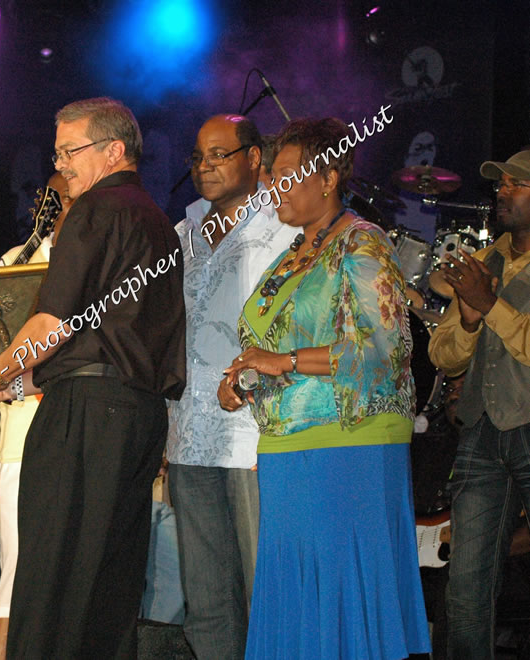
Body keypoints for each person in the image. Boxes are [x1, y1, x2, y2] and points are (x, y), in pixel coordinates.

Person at [0, 97, 186, 659]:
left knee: (51, 577)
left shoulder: (92, 211)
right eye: (58, 151)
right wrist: (15, 383)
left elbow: (53, 323)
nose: (61, 164)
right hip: (138, 415)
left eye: (71, 151)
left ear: (114, 150)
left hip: (85, 416)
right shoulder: (160, 221)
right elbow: (113, 337)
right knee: (109, 583)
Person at [219, 118, 430, 659]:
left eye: (287, 175)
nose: (274, 187)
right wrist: (241, 380)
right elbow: (266, 348)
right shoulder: (292, 255)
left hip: (349, 442)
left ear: (329, 176)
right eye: (273, 176)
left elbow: (382, 351)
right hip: (289, 447)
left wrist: (282, 359)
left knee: (340, 595)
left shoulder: (363, 242)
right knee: (297, 596)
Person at [167, 114, 299, 659]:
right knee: (206, 596)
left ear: (254, 158)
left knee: (262, 586)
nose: (205, 167)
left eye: (219, 154)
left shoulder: (287, 225)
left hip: (254, 432)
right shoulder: (183, 230)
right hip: (189, 433)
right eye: (198, 158)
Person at [427, 149, 530, 659]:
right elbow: (442, 354)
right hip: (483, 432)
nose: (502, 192)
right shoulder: (482, 263)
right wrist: (467, 320)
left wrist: (490, 305)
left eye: (516, 184)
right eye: (501, 183)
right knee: (465, 591)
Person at [0, 171, 72, 660]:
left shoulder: (104, 256)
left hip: (88, 433)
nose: (68, 204)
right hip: (25, 441)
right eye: (59, 198)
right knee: (18, 577)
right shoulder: (14, 264)